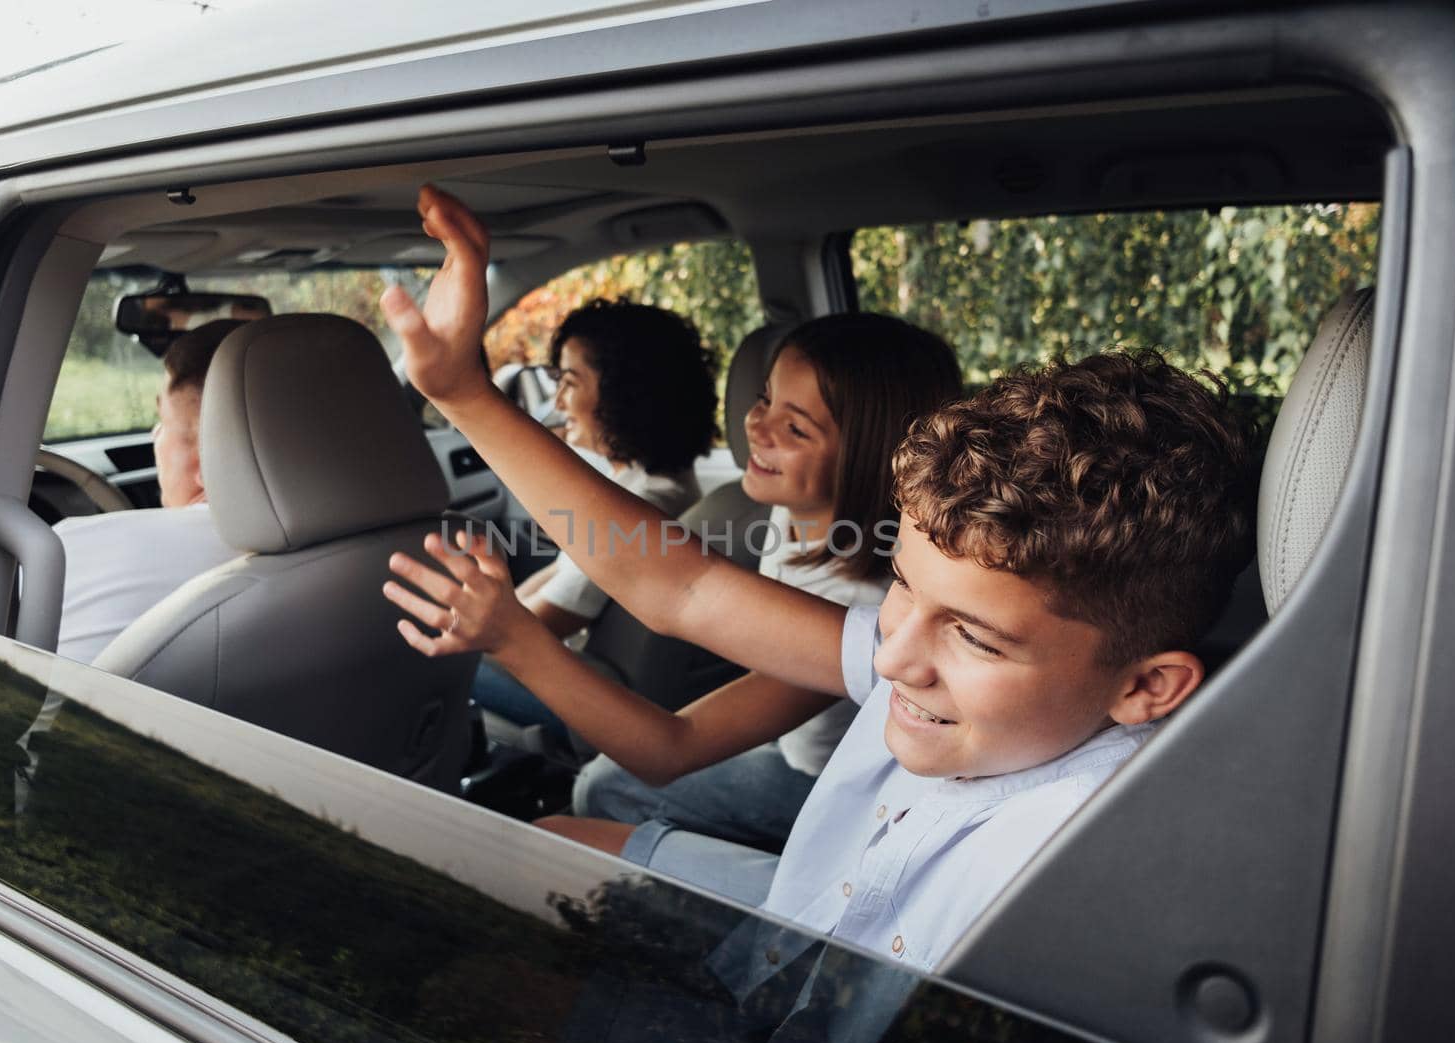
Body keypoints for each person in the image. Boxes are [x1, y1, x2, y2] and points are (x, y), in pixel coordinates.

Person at [378, 186, 1255, 972]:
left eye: (976, 636)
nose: (894, 654)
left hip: (813, 971)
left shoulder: (1057, 873)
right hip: (806, 910)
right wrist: (462, 392)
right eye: (906, 585)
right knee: (546, 841)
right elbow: (679, 587)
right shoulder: (910, 652)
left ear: (1147, 686)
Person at [442, 312, 961, 850]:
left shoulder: (864, 606)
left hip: (821, 781)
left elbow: (673, 747)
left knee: (602, 788)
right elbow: (674, 581)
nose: (755, 426)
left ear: (866, 457)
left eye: (796, 428)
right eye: (764, 399)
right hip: (784, 744)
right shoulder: (792, 511)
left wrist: (513, 636)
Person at [471, 298, 716, 735]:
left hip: (592, 692)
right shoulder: (661, 486)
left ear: (624, 395)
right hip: (602, 671)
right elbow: (553, 580)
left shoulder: (634, 513)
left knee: (446, 659)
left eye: (570, 382)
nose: (560, 402)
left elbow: (541, 625)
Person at [54, 319, 244, 664]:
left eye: (165, 423)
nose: (156, 437)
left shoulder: (67, 553)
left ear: (210, 461)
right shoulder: (369, 565)